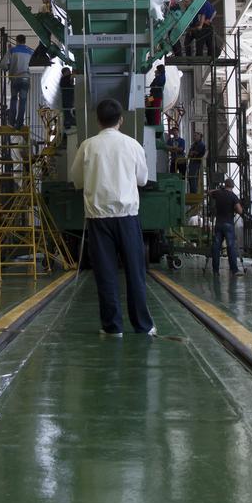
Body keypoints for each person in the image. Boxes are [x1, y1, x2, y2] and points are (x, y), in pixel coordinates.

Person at [69, 98, 156, 336]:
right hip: (127, 217)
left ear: (97, 120)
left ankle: (112, 327)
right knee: (135, 273)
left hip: (98, 219)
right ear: (121, 120)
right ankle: (143, 325)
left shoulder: (87, 146)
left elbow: (76, 179)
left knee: (105, 274)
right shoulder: (133, 145)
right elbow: (142, 180)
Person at [208, 178, 242, 275]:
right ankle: (234, 270)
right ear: (233, 186)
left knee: (216, 247)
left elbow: (209, 192)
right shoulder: (233, 196)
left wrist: (220, 189)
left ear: (225, 185)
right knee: (230, 247)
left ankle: (215, 270)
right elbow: (239, 210)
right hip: (228, 224)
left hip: (218, 224)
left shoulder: (218, 193)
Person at [2, 34, 33, 129]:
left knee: (14, 100)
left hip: (15, 79)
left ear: (16, 41)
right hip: (25, 79)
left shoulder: (12, 50)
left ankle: (11, 122)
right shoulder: (30, 51)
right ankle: (19, 124)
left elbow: (3, 64)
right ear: (25, 41)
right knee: (23, 101)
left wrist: (7, 68)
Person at [187, 129, 206, 195]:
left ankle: (194, 192)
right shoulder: (193, 144)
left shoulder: (201, 144)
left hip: (196, 163)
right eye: (194, 135)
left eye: (196, 135)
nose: (194, 137)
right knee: (191, 177)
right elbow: (190, 154)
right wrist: (191, 153)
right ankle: (193, 191)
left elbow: (195, 153)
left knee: (192, 177)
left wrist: (192, 153)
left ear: (200, 136)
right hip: (192, 162)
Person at [59, 66, 76, 132]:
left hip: (68, 97)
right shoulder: (64, 78)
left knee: (68, 110)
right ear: (65, 72)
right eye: (68, 71)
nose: (70, 72)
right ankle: (68, 123)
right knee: (68, 110)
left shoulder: (64, 79)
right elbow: (72, 77)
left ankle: (69, 122)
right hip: (67, 97)